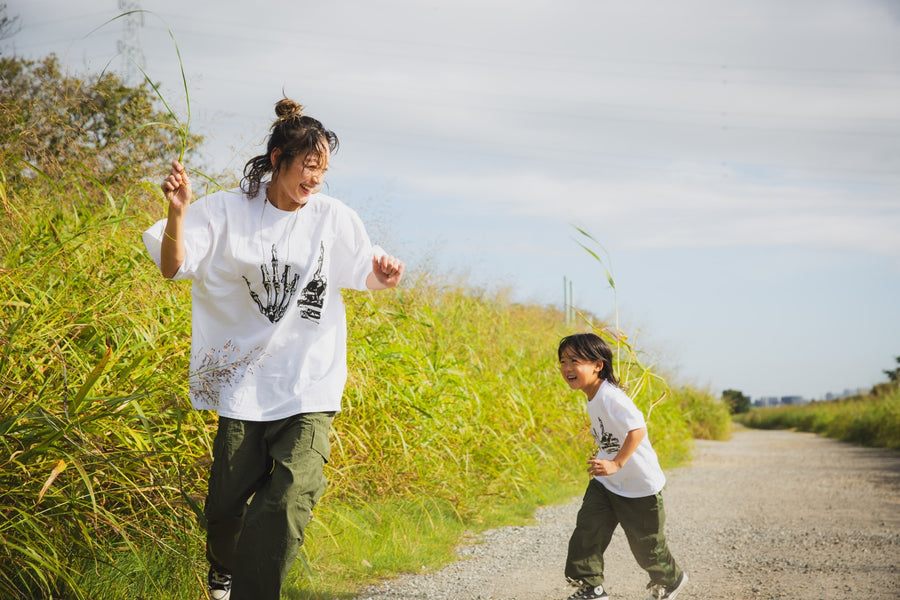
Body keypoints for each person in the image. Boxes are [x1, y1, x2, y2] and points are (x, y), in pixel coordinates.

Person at [142, 98, 404, 600]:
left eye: (323, 170)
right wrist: (177, 214)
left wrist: (385, 276)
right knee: (223, 511)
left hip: (309, 382)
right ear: (278, 158)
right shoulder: (226, 210)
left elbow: (364, 273)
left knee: (288, 501)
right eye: (309, 167)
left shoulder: (332, 217)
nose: (316, 180)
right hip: (241, 384)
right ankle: (224, 570)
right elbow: (172, 266)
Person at [557, 333, 687, 600]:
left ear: (597, 365)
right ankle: (591, 587)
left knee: (647, 546)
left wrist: (616, 463)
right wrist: (605, 458)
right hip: (606, 484)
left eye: (575, 361)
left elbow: (637, 429)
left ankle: (670, 579)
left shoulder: (610, 396)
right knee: (587, 530)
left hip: (639, 486)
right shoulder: (593, 395)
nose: (568, 368)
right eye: (563, 361)